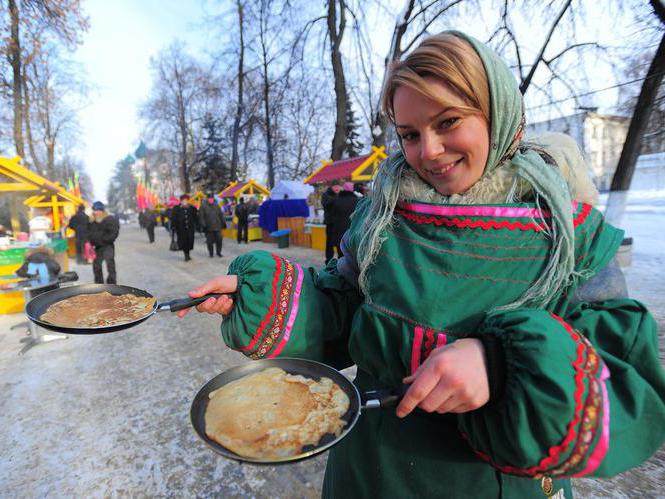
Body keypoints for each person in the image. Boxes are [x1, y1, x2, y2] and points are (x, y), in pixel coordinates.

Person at [177, 32, 665, 498]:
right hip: (371, 474)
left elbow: (623, 381)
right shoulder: (386, 217)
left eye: (448, 122)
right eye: (410, 134)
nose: (428, 151)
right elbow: (343, 309)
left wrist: (501, 365)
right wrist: (264, 301)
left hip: (492, 483)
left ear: (498, 113)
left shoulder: (567, 234)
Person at [88, 201, 119, 284]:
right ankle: (99, 284)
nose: (97, 212)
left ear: (103, 211)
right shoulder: (91, 221)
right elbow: (89, 233)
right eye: (95, 210)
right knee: (96, 266)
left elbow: (113, 233)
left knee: (110, 264)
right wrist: (91, 242)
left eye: (99, 210)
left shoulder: (110, 219)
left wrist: (103, 240)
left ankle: (112, 284)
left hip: (107, 246)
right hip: (97, 247)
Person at [321, 179, 343, 263]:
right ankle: (329, 260)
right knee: (329, 242)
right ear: (331, 186)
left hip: (340, 223)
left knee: (340, 242)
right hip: (330, 223)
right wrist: (336, 199)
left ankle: (341, 259)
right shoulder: (326, 194)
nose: (337, 188)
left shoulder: (342, 195)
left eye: (338, 186)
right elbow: (325, 204)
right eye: (335, 186)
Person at [171, 194, 197, 261]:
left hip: (190, 229)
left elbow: (195, 217)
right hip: (181, 229)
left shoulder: (191, 208)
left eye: (186, 201)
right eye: (183, 201)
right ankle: (186, 255)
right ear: (181, 201)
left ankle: (188, 254)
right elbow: (173, 218)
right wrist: (173, 227)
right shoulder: (177, 209)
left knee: (190, 242)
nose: (185, 202)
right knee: (184, 242)